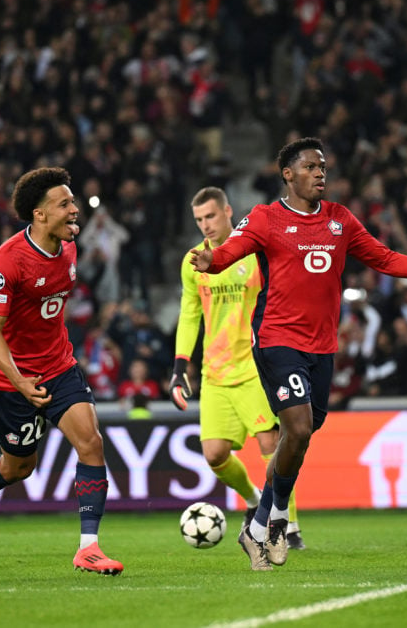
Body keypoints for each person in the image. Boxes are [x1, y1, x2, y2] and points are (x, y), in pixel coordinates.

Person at [189, 137, 407, 571]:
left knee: (302, 435)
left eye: (323, 167)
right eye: (311, 167)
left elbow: (386, 259)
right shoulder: (265, 218)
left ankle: (262, 523)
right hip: (277, 339)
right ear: (289, 174)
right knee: (296, 427)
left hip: (323, 347)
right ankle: (276, 518)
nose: (321, 173)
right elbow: (230, 252)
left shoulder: (340, 220)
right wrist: (213, 262)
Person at [0, 166, 123, 576]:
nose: (75, 210)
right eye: (64, 204)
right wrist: (20, 381)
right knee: (18, 468)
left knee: (91, 442)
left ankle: (89, 548)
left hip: (59, 366)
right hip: (11, 378)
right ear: (39, 214)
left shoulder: (70, 246)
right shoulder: (6, 261)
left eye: (73, 201)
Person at [171, 186, 305, 556]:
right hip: (214, 374)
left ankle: (287, 525)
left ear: (228, 210)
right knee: (214, 455)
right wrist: (181, 364)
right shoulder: (193, 261)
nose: (206, 225)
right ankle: (252, 498)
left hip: (253, 368)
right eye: (199, 220)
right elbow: (189, 313)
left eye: (211, 216)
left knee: (270, 444)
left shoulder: (253, 254)